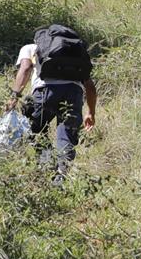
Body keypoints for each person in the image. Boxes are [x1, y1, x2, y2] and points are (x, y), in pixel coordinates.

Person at [11, 26, 98, 177]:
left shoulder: (31, 47)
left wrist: (14, 96)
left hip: (45, 91)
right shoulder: (75, 53)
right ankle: (61, 175)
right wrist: (90, 113)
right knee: (66, 136)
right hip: (73, 93)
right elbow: (90, 86)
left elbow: (25, 68)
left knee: (35, 129)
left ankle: (45, 168)